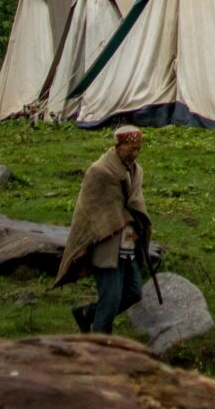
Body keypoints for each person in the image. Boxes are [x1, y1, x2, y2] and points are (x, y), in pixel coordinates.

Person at [57, 125, 149, 334]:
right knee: (111, 298)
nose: (135, 154)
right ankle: (101, 344)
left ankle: (88, 313)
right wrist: (126, 221)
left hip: (127, 243)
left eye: (138, 149)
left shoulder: (135, 171)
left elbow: (134, 204)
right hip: (105, 245)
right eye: (131, 149)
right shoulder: (100, 171)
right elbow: (94, 210)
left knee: (134, 291)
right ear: (119, 146)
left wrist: (135, 226)